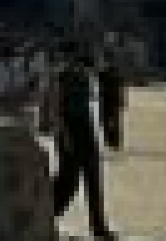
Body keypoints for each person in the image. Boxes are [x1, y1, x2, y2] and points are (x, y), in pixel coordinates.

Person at [50, 44, 113, 241]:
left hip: (86, 132)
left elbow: (91, 105)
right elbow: (57, 108)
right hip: (70, 132)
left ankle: (99, 228)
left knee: (94, 182)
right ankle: (46, 214)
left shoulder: (85, 77)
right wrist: (64, 136)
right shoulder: (62, 77)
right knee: (69, 182)